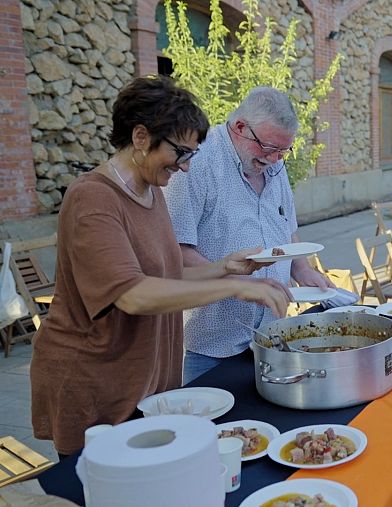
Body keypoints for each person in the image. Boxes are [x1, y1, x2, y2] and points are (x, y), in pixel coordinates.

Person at [30, 76, 290, 457]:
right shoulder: (93, 198)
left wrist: (225, 267)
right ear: (140, 137)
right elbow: (133, 294)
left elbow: (165, 278)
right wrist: (235, 287)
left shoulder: (150, 192)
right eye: (181, 153)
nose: (185, 168)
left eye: (191, 155)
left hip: (146, 379)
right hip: (97, 382)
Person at [164, 87, 334, 384]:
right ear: (241, 128)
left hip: (272, 334)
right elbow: (176, 251)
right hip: (213, 342)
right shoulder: (197, 162)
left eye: (284, 151)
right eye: (269, 148)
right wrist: (239, 284)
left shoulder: (275, 162)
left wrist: (303, 268)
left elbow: (286, 225)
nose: (275, 158)